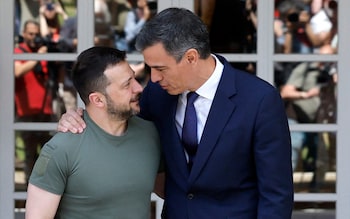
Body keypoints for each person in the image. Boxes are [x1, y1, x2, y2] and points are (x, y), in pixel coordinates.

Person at [58, 8, 294, 218]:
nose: (154, 78)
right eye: (150, 68)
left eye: (160, 68)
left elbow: (276, 195)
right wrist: (79, 117)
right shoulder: (157, 94)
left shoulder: (260, 100)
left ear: (191, 57)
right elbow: (118, 128)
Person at [25, 46, 163, 218]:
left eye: (134, 78)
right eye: (127, 84)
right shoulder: (61, 149)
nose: (138, 88)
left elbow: (168, 190)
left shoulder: (150, 134)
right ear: (97, 99)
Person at [14, 19, 53, 184]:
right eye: (30, 34)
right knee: (30, 154)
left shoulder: (42, 52)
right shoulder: (19, 51)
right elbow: (18, 71)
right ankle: (29, 192)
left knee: (49, 155)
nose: (34, 37)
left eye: (37, 34)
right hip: (27, 112)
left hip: (46, 110)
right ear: (24, 34)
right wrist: (38, 57)